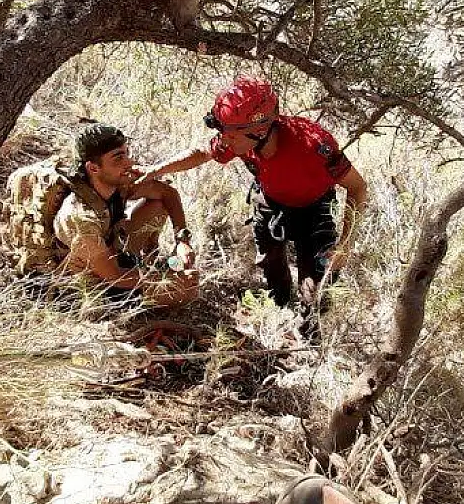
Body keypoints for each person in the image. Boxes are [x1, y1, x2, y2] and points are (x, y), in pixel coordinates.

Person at [139, 76, 367, 332]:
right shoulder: (237, 139)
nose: (224, 140)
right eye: (221, 131)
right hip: (270, 198)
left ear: (260, 130)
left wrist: (345, 246)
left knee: (316, 288)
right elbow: (203, 153)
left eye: (230, 134)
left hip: (314, 206)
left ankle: (309, 330)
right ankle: (279, 303)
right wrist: (155, 170)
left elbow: (357, 188)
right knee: (270, 260)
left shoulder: (314, 146)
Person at [53, 123, 198, 307]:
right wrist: (166, 278)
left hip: (114, 252)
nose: (128, 162)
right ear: (93, 168)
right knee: (184, 292)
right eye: (118, 158)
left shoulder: (117, 181)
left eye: (126, 154)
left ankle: (145, 261)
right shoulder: (79, 217)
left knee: (157, 205)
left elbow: (167, 193)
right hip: (94, 283)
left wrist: (182, 240)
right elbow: (115, 276)